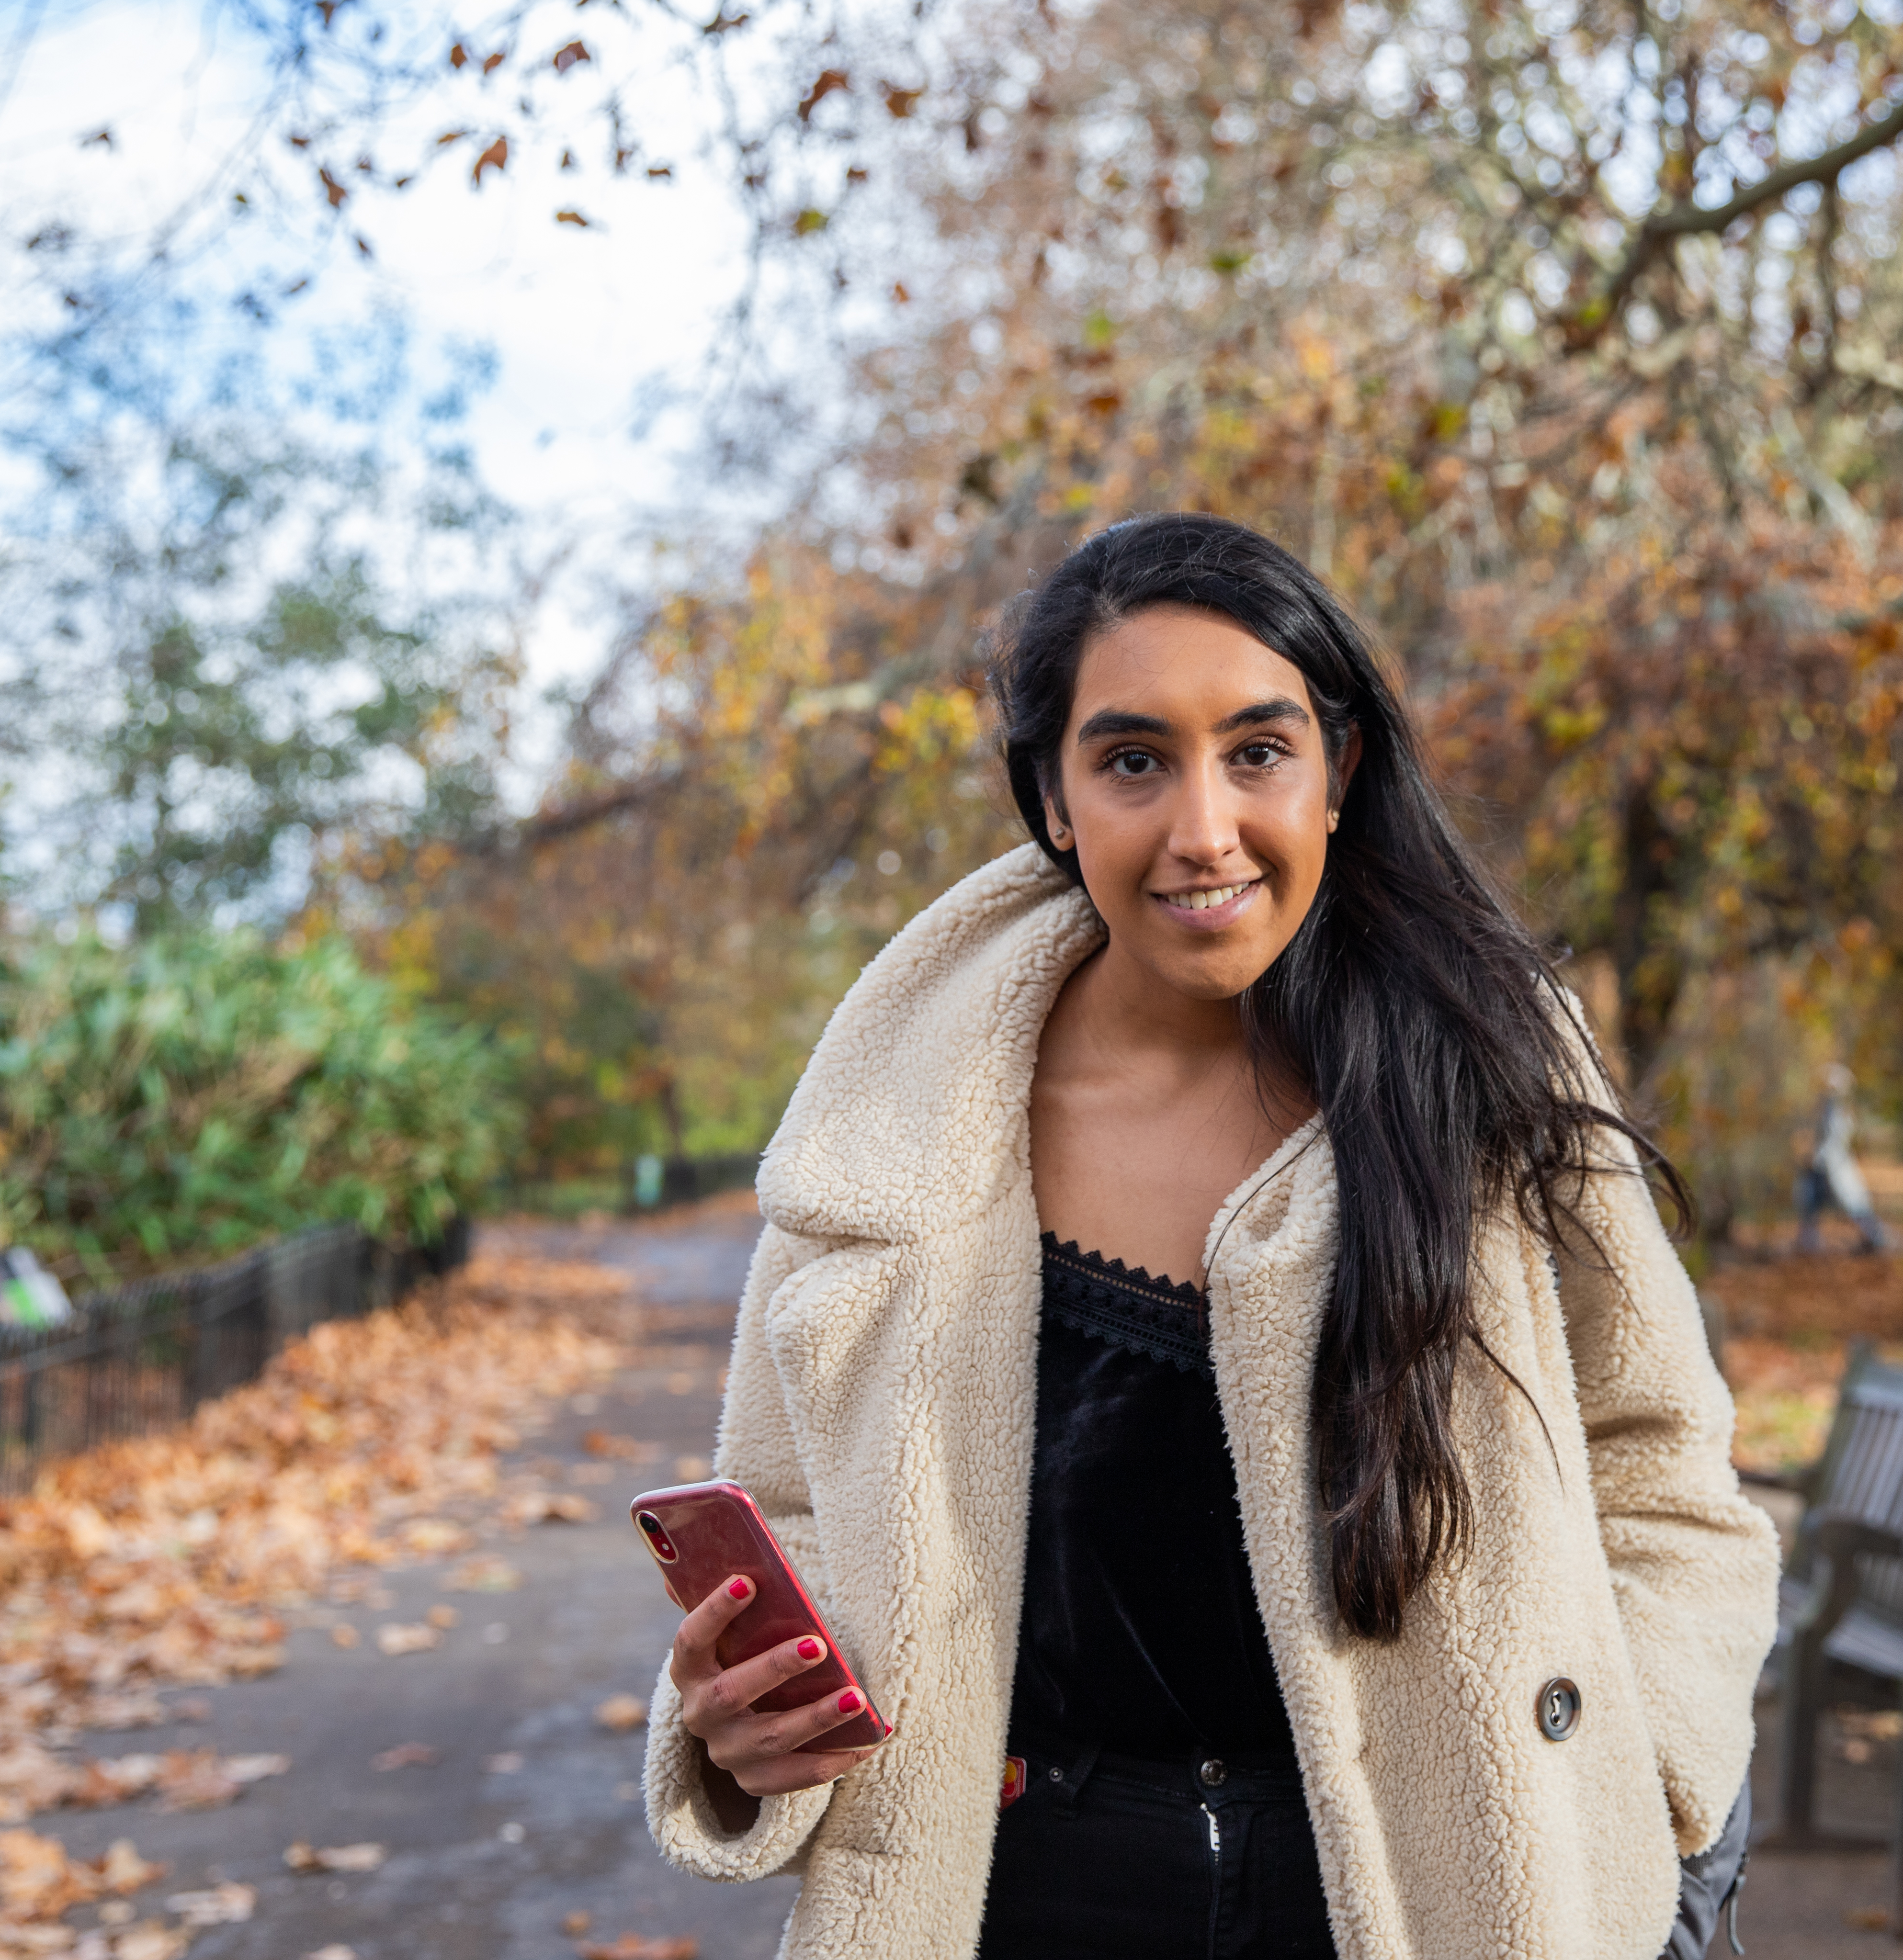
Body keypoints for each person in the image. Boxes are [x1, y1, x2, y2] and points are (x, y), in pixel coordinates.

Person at [639, 514, 1779, 1959]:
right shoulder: (900, 1120)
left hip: (1433, 1895)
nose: (1202, 829)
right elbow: (789, 1516)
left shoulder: (1488, 1064)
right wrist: (742, 1733)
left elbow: (1665, 1471)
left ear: (1338, 771)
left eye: (1257, 752)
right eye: (1131, 762)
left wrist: (1641, 1782)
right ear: (1050, 800)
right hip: (1017, 1899)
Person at [1791, 1063, 1889, 1256]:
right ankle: (1808, 1242)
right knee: (1809, 1200)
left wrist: (1818, 1159)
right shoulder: (1830, 1109)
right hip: (1824, 1167)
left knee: (1855, 1204)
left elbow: (1835, 1142)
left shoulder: (1839, 1111)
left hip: (1835, 1167)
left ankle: (1876, 1239)